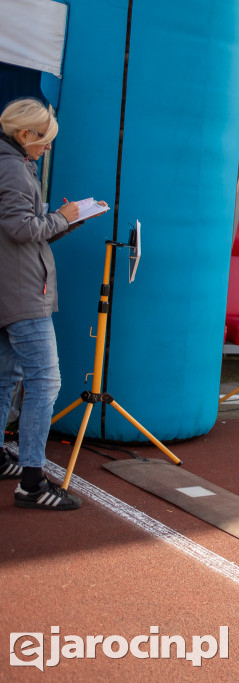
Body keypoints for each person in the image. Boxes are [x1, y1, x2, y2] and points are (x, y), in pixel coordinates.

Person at [0, 98, 105, 510]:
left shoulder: (11, 162)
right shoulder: (12, 167)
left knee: (6, 379)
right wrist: (65, 217)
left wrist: (64, 218)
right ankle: (31, 482)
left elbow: (22, 225)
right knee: (45, 381)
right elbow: (23, 227)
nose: (47, 148)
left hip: (12, 286)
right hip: (23, 291)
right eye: (43, 141)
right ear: (24, 135)